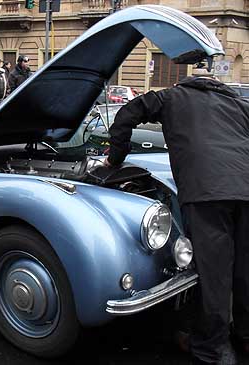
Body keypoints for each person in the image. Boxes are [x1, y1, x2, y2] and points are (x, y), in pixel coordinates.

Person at [105, 67, 249, 365]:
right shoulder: (238, 103)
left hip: (207, 191)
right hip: (245, 186)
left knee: (215, 275)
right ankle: (245, 337)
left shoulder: (173, 97)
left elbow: (126, 114)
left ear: (184, 82)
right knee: (245, 271)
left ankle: (213, 349)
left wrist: (114, 158)